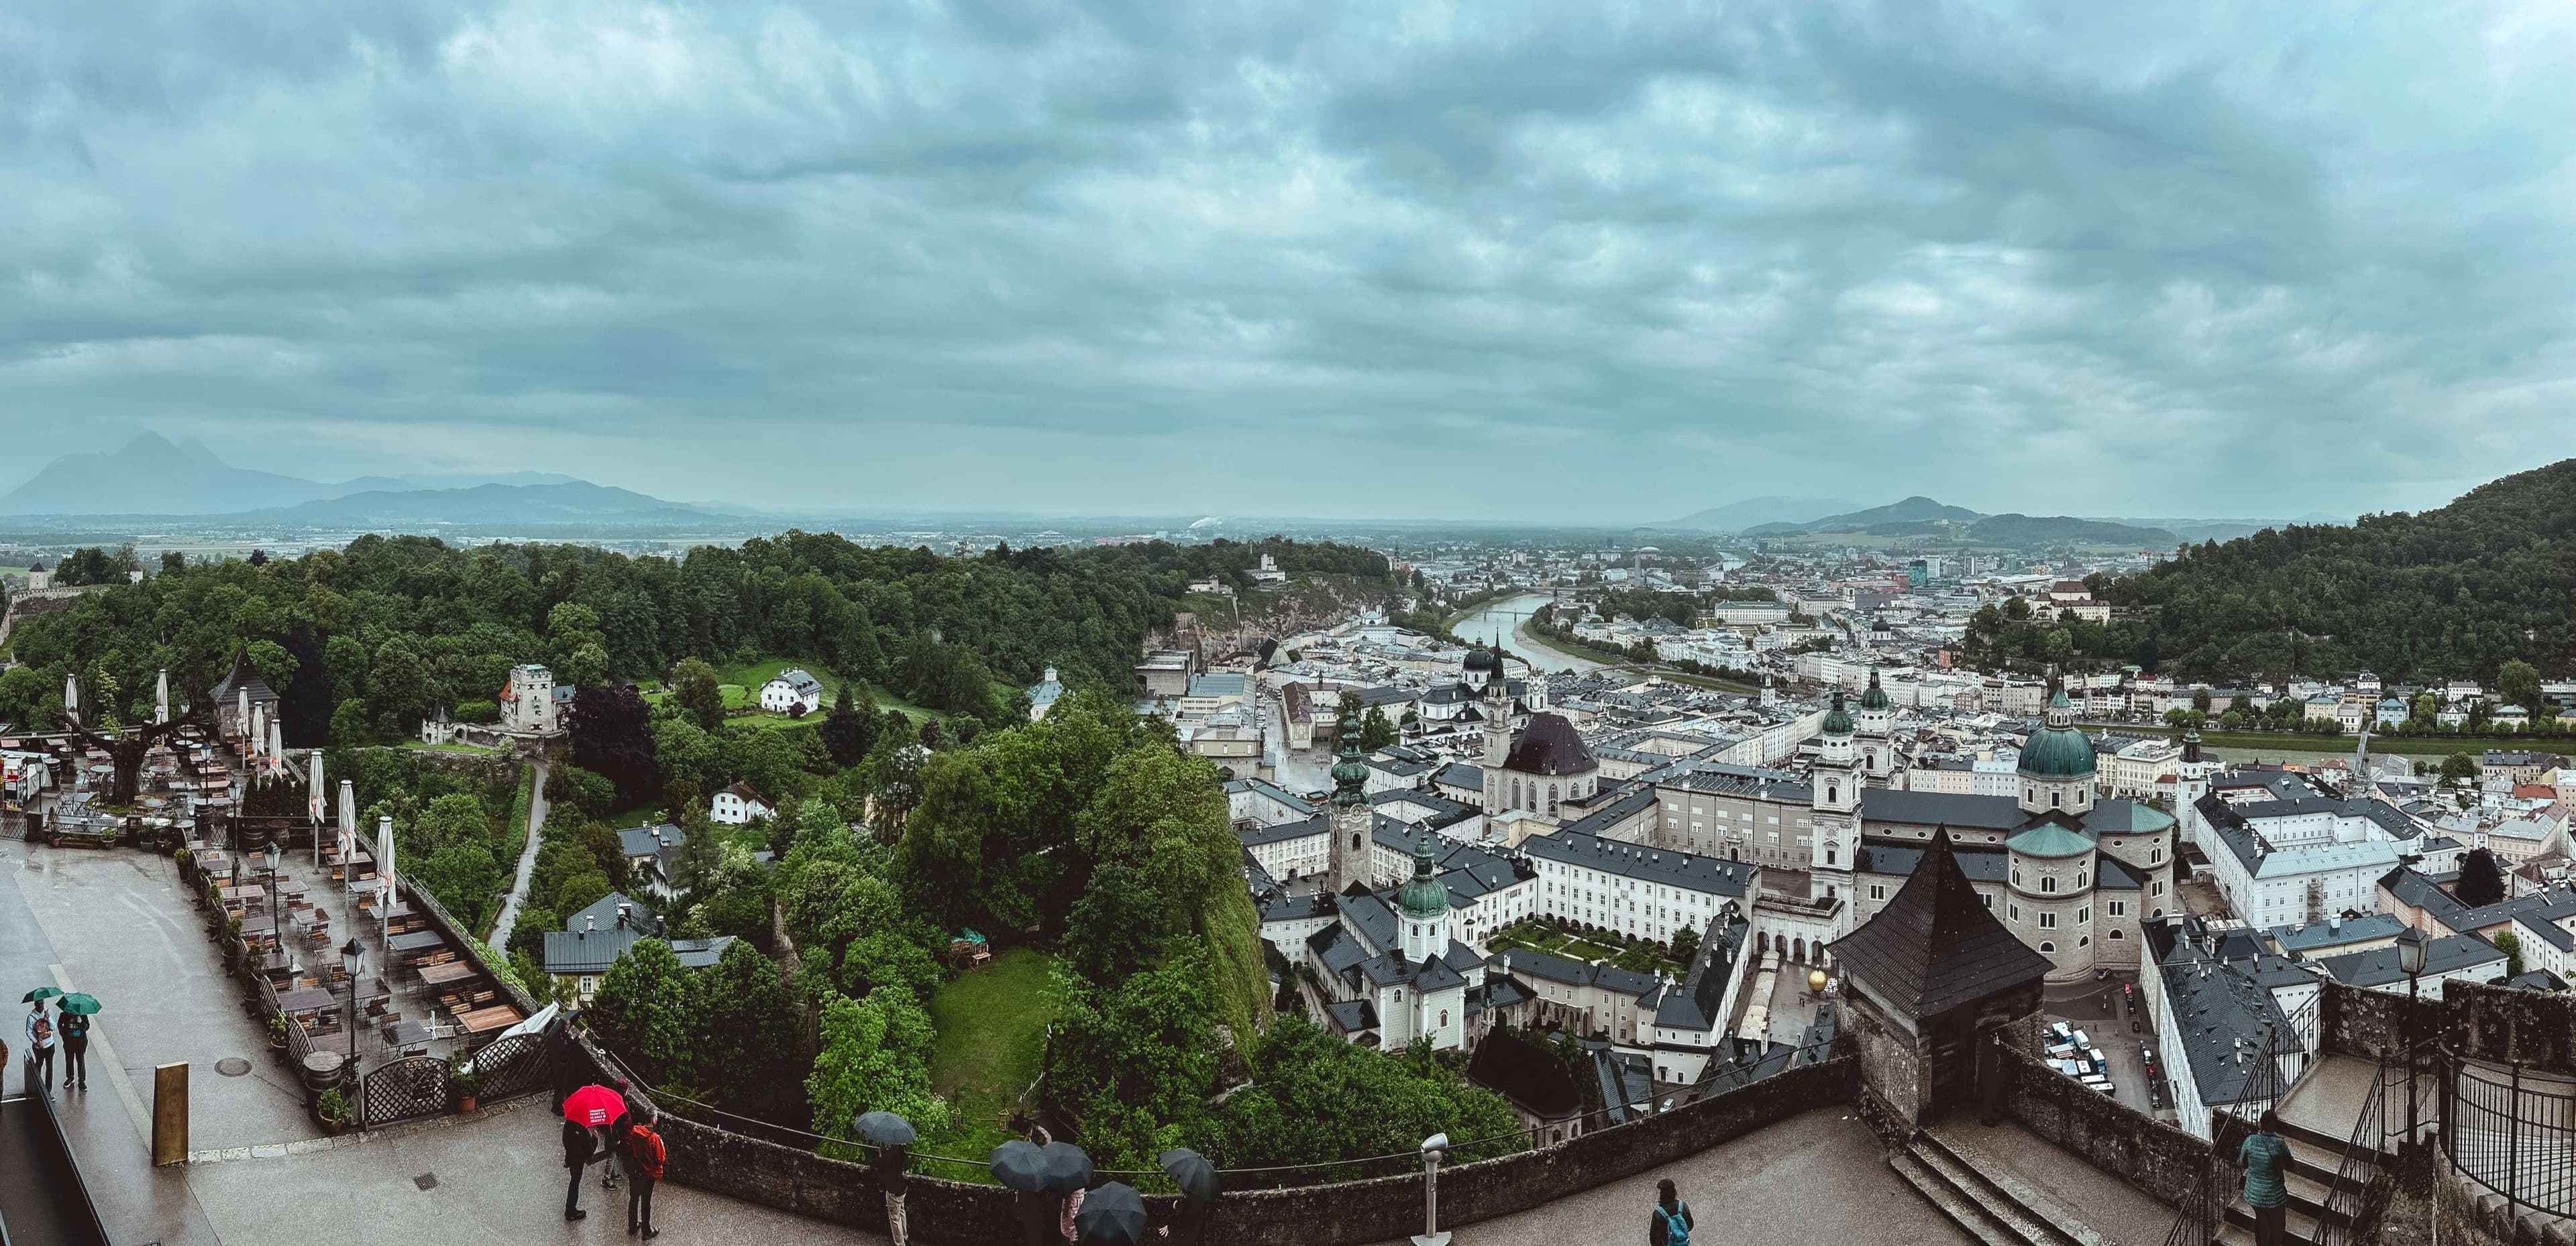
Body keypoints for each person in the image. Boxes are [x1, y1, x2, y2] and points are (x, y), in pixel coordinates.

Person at [2239, 1111, 2294, 1246]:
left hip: (2254, 1194)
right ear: (2274, 1125)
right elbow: (2291, 1165)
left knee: (2261, 1221)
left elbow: (2243, 1163)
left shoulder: (2250, 1140)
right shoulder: (2279, 1144)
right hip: (2274, 1195)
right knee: (2278, 1226)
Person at [623, 1109, 665, 1240]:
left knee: (634, 1199)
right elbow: (661, 1159)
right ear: (653, 1120)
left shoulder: (635, 1132)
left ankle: (632, 1226)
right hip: (647, 1174)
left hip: (635, 1171)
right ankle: (646, 1231)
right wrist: (662, 1145)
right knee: (646, 1202)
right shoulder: (654, 1138)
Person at [871, 1137, 911, 1246]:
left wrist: (880, 1154)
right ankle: (905, 1236)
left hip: (894, 1190)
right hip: (903, 1188)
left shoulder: (890, 1155)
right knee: (901, 1211)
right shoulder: (901, 1152)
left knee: (894, 1217)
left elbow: (880, 1166)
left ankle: (900, 1243)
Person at [604, 1077, 635, 1190]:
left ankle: (614, 1173)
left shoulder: (617, 1099)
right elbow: (614, 1123)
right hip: (614, 1136)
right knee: (611, 1157)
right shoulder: (619, 1102)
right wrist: (617, 1138)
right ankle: (606, 1178)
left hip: (616, 1135)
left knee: (614, 1155)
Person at [561, 1117, 595, 1221]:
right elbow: (589, 1150)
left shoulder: (569, 1124)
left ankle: (570, 1209)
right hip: (578, 1161)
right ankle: (571, 1210)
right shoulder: (581, 1129)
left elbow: (565, 1141)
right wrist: (595, 1138)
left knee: (574, 1182)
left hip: (571, 1158)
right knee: (575, 1184)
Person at [1648, 1178, 1694, 1246]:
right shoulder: (1682, 1206)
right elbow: (1690, 1225)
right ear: (1674, 1191)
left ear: (1662, 1194)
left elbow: (1654, 1239)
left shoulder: (1658, 1213)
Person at [58, 1001, 91, 1090]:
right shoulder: (65, 1014)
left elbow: (87, 1026)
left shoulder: (83, 1015)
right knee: (69, 1060)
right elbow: (60, 1024)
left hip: (80, 1042)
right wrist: (63, 1035)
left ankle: (82, 1081)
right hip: (69, 1042)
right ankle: (70, 1077)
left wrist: (81, 1023)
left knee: (81, 1062)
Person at [24, 1005, 56, 1091]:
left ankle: (48, 1090)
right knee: (38, 1066)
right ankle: (37, 1087)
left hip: (50, 1045)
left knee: (50, 1068)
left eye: (42, 1003)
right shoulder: (31, 1018)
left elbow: (54, 1027)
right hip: (39, 1049)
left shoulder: (48, 1012)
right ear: (35, 1004)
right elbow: (28, 1032)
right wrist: (36, 1041)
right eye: (39, 1004)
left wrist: (48, 1018)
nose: (41, 1006)